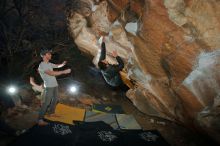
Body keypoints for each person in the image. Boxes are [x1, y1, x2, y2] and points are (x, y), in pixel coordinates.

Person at [37, 48, 71, 126]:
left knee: (55, 99)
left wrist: (63, 64)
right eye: (49, 54)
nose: (51, 55)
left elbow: (57, 66)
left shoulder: (49, 64)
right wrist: (64, 72)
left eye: (50, 54)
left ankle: (51, 113)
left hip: (55, 85)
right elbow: (51, 73)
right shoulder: (42, 65)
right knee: (46, 103)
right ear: (44, 56)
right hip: (49, 86)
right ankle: (40, 120)